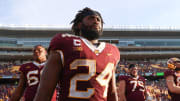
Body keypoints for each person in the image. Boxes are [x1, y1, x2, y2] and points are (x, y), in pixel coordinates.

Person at [34, 7, 120, 101]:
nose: (96, 21)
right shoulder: (65, 42)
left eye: (98, 19)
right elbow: (44, 91)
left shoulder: (112, 50)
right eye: (91, 18)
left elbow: (111, 92)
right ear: (79, 24)